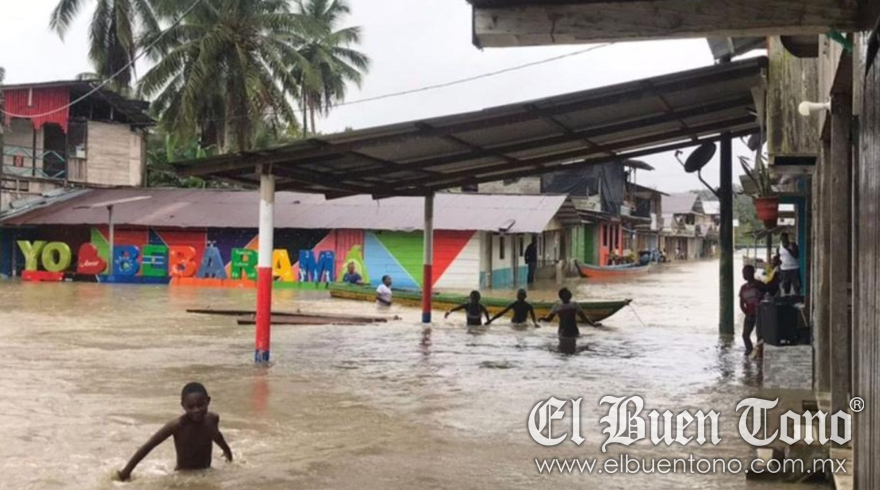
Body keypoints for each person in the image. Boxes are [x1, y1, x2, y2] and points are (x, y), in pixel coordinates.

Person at [117, 382, 232, 481]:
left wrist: (227, 452)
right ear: (183, 406)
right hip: (183, 477)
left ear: (208, 401)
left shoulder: (212, 419)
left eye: (200, 405)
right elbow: (149, 445)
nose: (196, 410)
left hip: (206, 472)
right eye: (191, 407)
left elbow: (216, 435)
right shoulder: (177, 426)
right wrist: (126, 471)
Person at [739, 265, 764, 356]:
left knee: (760, 335)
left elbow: (766, 297)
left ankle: (760, 353)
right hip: (749, 314)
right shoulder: (743, 288)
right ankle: (749, 350)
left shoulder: (759, 285)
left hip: (760, 314)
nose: (744, 275)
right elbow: (742, 303)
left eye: (746, 272)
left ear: (752, 273)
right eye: (743, 273)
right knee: (745, 335)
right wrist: (746, 313)